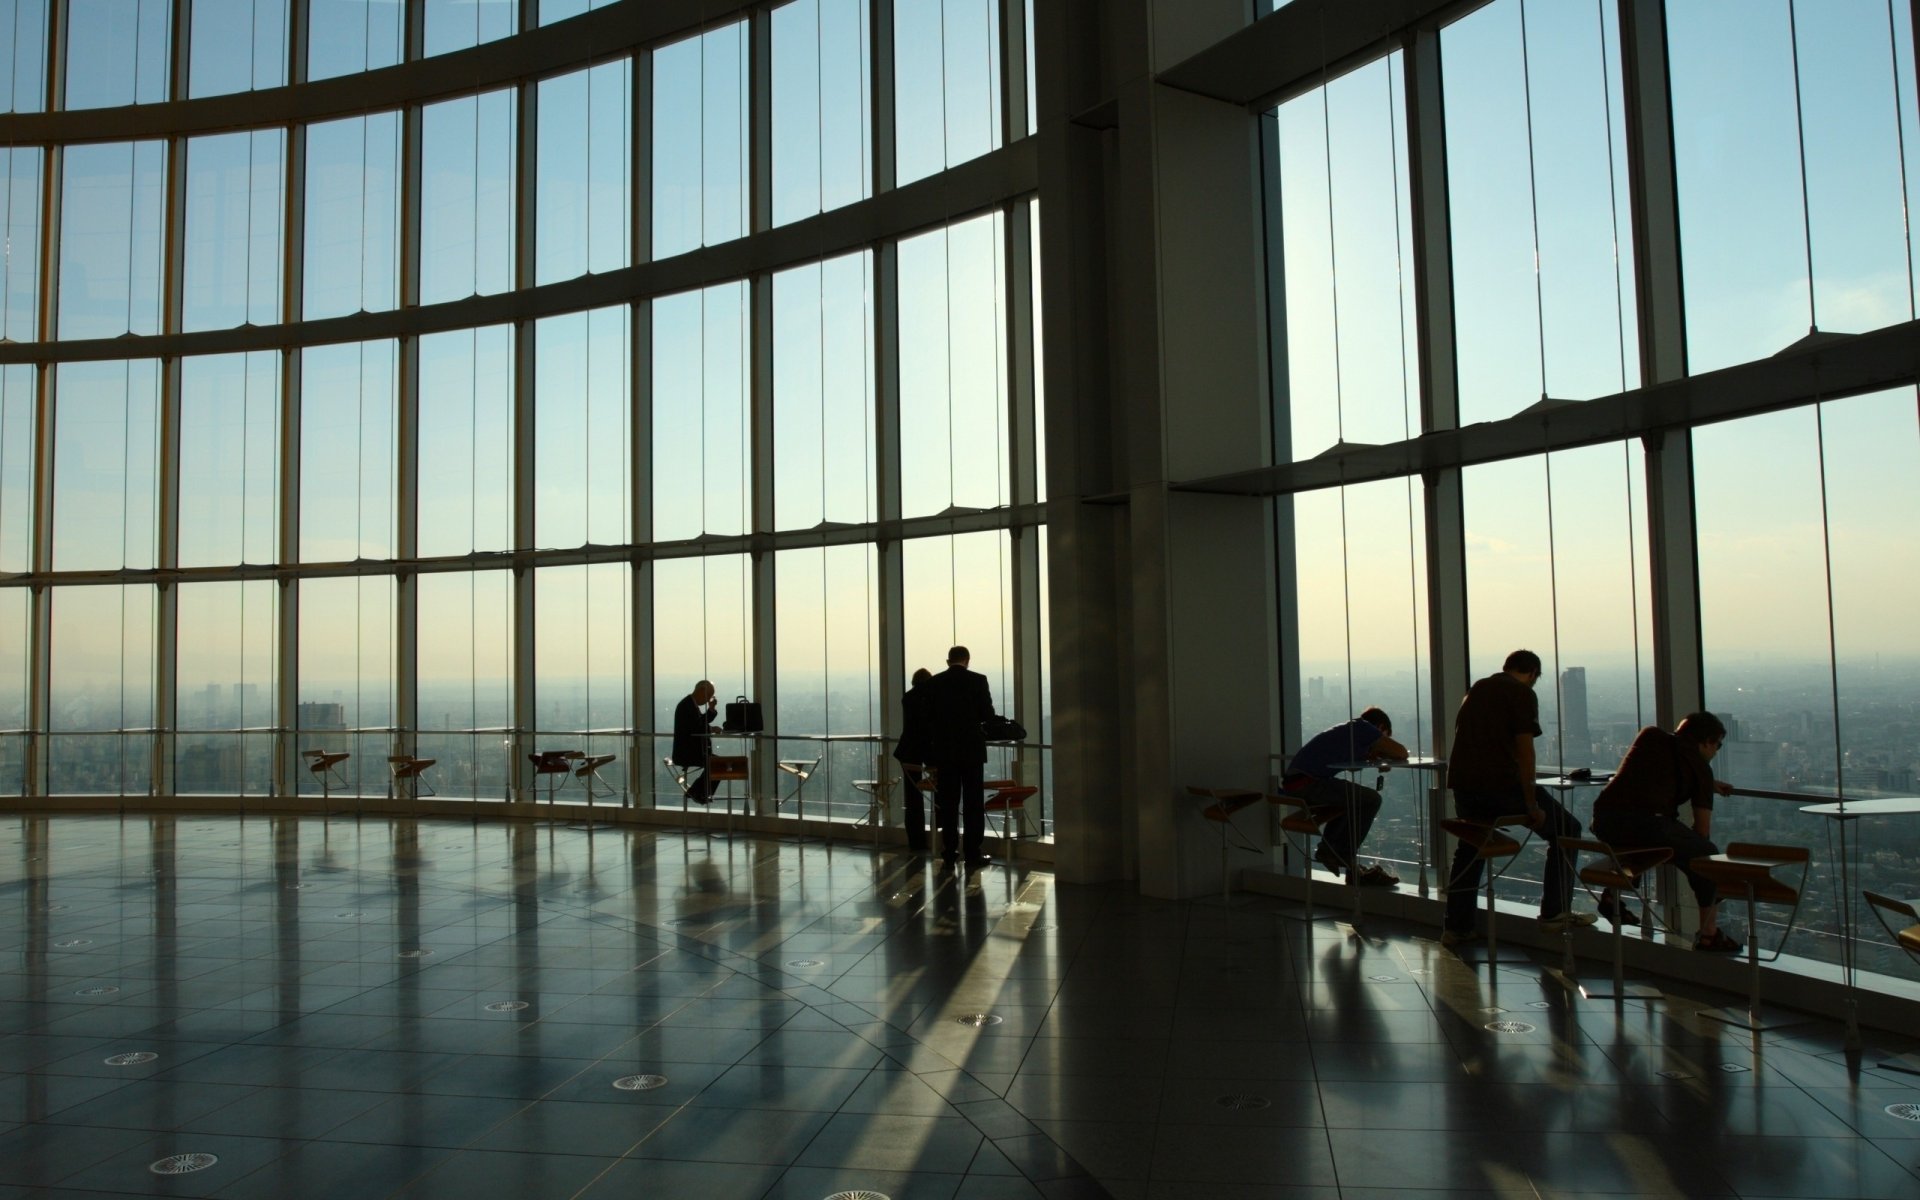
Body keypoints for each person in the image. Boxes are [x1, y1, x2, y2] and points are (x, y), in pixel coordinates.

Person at [1441, 649, 1595, 946]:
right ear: (1533, 674)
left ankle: (1457, 926)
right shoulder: (1521, 693)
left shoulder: (1476, 690)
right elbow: (1525, 751)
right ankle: (1554, 912)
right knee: (1567, 830)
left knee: (1472, 845)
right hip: (1502, 785)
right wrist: (1531, 803)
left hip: (1464, 786)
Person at [1590, 712, 1740, 952]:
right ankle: (1709, 934)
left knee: (1640, 846)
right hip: (1648, 824)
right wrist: (1694, 854)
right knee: (1707, 855)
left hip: (1605, 821)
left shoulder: (1650, 736)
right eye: (1718, 745)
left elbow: (1651, 772)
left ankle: (1612, 896)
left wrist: (1706, 782)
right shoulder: (1700, 769)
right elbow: (1702, 829)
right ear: (1706, 742)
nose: (1716, 751)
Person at [1282, 707, 1410, 886]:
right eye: (1384, 736)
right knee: (1372, 799)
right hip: (1308, 784)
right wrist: (1385, 751)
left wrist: (1374, 755)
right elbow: (1401, 752)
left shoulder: (1350, 731)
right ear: (1379, 727)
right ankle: (1337, 852)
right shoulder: (1364, 729)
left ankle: (1344, 861)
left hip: (1297, 783)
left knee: (1350, 799)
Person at [922, 645, 999, 869]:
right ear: (967, 660)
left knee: (948, 803)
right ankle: (972, 852)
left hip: (945, 753)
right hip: (972, 751)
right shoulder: (978, 680)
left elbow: (927, 718)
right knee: (973, 803)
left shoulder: (934, 683)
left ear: (948, 661)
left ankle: (949, 850)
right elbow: (987, 714)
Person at [894, 667, 935, 853]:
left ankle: (916, 841)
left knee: (912, 798)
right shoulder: (933, 698)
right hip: (929, 749)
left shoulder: (908, 697)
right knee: (939, 793)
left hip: (908, 750)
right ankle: (938, 837)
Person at [671, 680, 720, 804]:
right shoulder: (687, 706)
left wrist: (711, 710)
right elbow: (696, 727)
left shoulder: (689, 705)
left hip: (689, 751)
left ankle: (698, 792)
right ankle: (698, 793)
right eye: (708, 696)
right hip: (688, 753)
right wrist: (711, 728)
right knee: (717, 764)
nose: (708, 700)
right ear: (701, 691)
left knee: (716, 763)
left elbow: (698, 724)